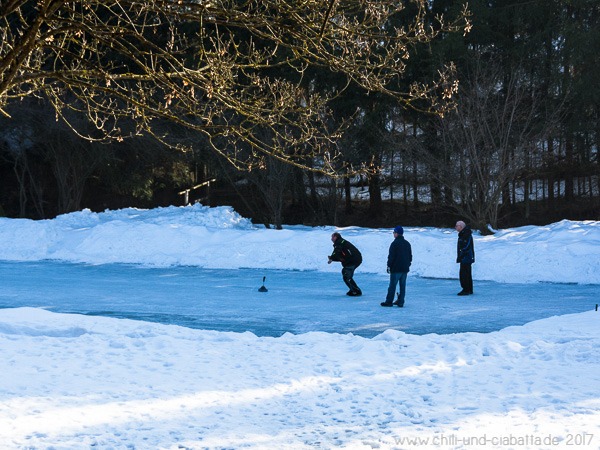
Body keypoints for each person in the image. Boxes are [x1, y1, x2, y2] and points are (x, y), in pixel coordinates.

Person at [381, 226, 412, 307]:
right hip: (405, 269)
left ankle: (389, 301)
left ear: (397, 233)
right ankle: (401, 301)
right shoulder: (407, 243)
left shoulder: (394, 244)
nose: (393, 234)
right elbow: (410, 256)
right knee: (402, 286)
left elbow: (391, 257)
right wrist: (408, 265)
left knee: (392, 285)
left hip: (396, 269)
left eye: (394, 232)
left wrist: (389, 266)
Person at [328, 232, 362, 296]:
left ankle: (356, 291)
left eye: (332, 237)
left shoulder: (339, 243)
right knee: (346, 274)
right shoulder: (341, 242)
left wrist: (332, 258)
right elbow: (341, 256)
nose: (331, 239)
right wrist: (333, 258)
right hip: (354, 259)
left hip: (353, 260)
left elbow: (336, 252)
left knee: (346, 275)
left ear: (335, 237)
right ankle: (354, 289)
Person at [455, 220, 475, 295]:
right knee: (467, 273)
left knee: (464, 274)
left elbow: (465, 246)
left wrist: (461, 255)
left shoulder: (465, 234)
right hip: (466, 257)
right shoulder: (464, 233)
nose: (456, 227)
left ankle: (466, 289)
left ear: (461, 226)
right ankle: (469, 289)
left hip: (466, 257)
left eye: (457, 226)